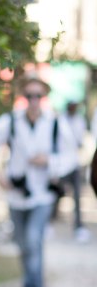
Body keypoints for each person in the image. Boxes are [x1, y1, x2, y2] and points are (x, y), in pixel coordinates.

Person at [0, 73, 76, 287]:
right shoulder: (10, 121)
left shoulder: (55, 123)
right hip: (16, 194)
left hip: (43, 195)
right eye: (29, 95)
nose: (33, 100)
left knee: (33, 239)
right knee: (22, 245)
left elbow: (71, 156)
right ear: (23, 96)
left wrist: (49, 161)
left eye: (38, 96)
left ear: (44, 97)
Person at [55, 101, 90, 242]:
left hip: (74, 163)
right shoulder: (59, 120)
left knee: (77, 196)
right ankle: (50, 221)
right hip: (61, 164)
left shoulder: (79, 121)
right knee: (57, 192)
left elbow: (80, 141)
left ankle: (78, 226)